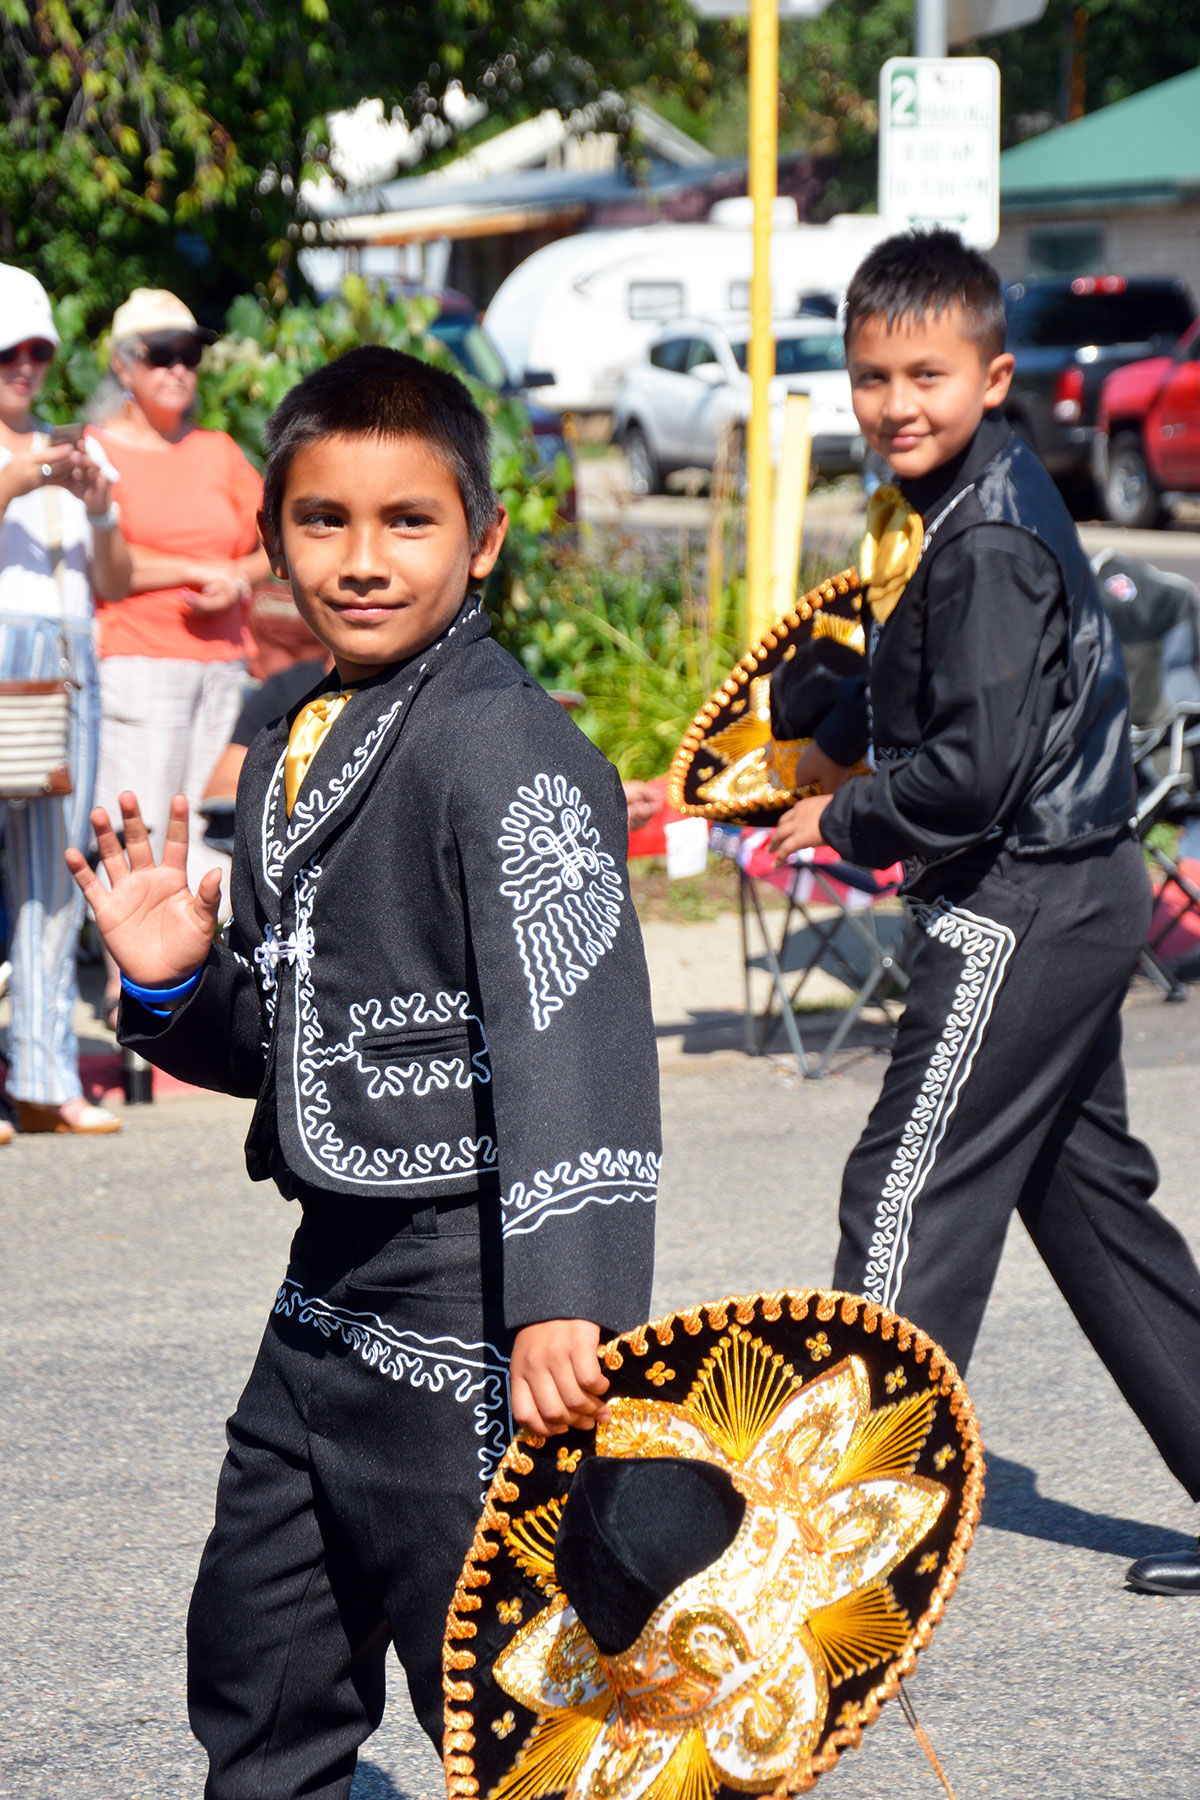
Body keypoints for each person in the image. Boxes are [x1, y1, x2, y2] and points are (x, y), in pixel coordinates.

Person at [67, 345, 661, 1793]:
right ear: (271, 540)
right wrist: (173, 983)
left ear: (484, 538)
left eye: (409, 521)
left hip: (471, 1301)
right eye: (323, 521)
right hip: (323, 1289)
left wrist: (567, 1297)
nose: (364, 560)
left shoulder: (506, 743)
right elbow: (297, 1044)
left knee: (517, 1703)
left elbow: (572, 1025)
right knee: (258, 1658)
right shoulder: (292, 734)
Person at [769, 229, 1200, 1598]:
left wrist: (841, 818)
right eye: (872, 377)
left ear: (993, 377)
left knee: (906, 1191)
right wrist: (824, 740)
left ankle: (832, 1552)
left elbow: (971, 771)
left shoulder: (990, 535)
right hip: (1071, 891)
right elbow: (922, 676)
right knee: (1093, 1210)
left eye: (928, 376)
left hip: (1026, 896)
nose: (897, 403)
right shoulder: (953, 505)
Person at [91, 287, 270, 1017]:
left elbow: (278, 538)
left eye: (189, 354)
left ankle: (195, 986)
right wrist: (197, 569)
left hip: (222, 665)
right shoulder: (98, 450)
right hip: (138, 660)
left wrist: (236, 578)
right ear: (124, 365)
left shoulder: (217, 451)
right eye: (160, 354)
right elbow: (109, 569)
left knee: (208, 831)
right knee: (138, 827)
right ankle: (128, 991)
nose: (177, 369)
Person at [0, 263, 132, 1138]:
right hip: (7, 647)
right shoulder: (32, 455)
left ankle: (44, 1078)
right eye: (7, 351)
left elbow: (115, 578)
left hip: (68, 656)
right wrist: (25, 475)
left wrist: (101, 506)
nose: (25, 366)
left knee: (56, 877)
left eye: (38, 350)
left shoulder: (74, 444)